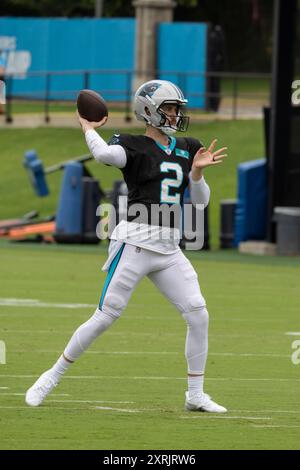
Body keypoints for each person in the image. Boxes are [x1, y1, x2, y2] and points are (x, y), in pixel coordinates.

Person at [25, 80, 228, 412]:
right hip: (135, 242)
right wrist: (88, 127)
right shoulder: (132, 145)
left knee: (198, 313)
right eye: (170, 108)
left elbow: (201, 203)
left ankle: (195, 395)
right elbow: (105, 153)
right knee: (106, 315)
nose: (176, 114)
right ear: (149, 111)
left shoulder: (189, 147)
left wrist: (197, 175)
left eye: (177, 108)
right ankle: (50, 376)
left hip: (168, 248)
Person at [0, 50, 6, 115]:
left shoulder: (1, 60)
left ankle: (1, 110)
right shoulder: (2, 60)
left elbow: (1, 71)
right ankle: (1, 110)